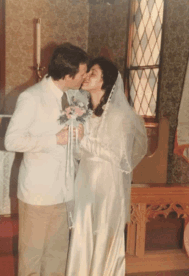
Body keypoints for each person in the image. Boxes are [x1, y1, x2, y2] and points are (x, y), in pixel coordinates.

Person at [4, 42, 88, 276]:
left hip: (63, 191)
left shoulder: (72, 98)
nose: (84, 77)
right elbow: (11, 141)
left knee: (57, 256)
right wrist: (55, 139)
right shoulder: (32, 97)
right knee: (33, 257)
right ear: (68, 74)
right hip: (38, 193)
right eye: (81, 73)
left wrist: (78, 138)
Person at [66, 57, 147, 276]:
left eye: (93, 73)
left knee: (102, 233)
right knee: (82, 231)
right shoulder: (83, 112)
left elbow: (119, 157)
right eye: (88, 72)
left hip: (106, 182)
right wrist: (73, 140)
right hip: (85, 179)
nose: (87, 76)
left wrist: (84, 140)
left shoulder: (119, 116)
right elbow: (78, 153)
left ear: (105, 81)